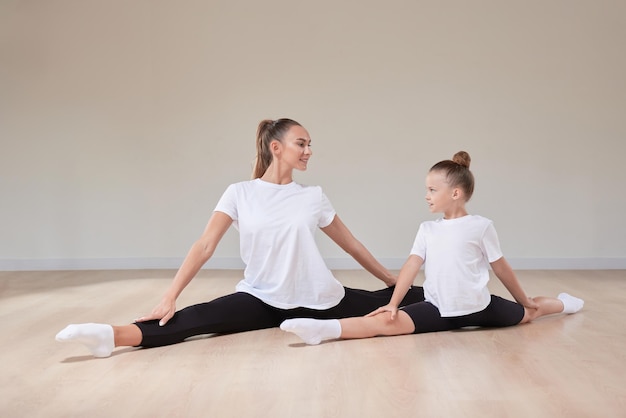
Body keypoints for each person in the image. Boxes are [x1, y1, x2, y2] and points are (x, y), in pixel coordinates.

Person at [55, 118, 425, 357]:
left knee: (411, 296)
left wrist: (393, 282)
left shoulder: (312, 196)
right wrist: (168, 297)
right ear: (276, 147)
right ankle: (111, 336)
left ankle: (479, 304)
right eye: (302, 143)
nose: (309, 150)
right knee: (194, 319)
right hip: (261, 297)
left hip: (320, 299)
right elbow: (204, 245)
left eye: (311, 143)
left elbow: (352, 245)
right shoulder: (239, 193)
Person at [280, 151, 584, 345]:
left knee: (530, 312)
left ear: (455, 193)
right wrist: (394, 302)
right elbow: (412, 265)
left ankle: (565, 303)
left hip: (480, 306)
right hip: (439, 308)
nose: (426, 195)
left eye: (432, 190)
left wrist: (522, 300)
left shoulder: (481, 226)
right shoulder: (428, 229)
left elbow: (500, 266)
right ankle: (325, 329)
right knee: (385, 323)